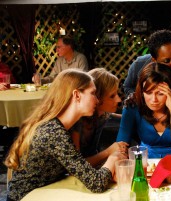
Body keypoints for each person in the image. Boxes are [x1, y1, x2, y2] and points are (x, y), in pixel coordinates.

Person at [5, 69, 127, 201]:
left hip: (47, 190)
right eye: (92, 93)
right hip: (27, 197)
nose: (97, 100)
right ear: (77, 95)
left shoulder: (58, 126)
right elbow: (96, 183)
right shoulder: (54, 132)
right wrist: (113, 157)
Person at [117, 62, 171, 158]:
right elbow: (120, 147)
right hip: (145, 164)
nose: (154, 100)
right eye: (149, 92)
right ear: (142, 92)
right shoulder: (132, 107)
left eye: (160, 93)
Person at [71, 68, 128, 168]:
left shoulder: (102, 115)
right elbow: (76, 167)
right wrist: (108, 152)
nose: (118, 99)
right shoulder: (76, 122)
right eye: (112, 96)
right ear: (97, 97)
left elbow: (122, 118)